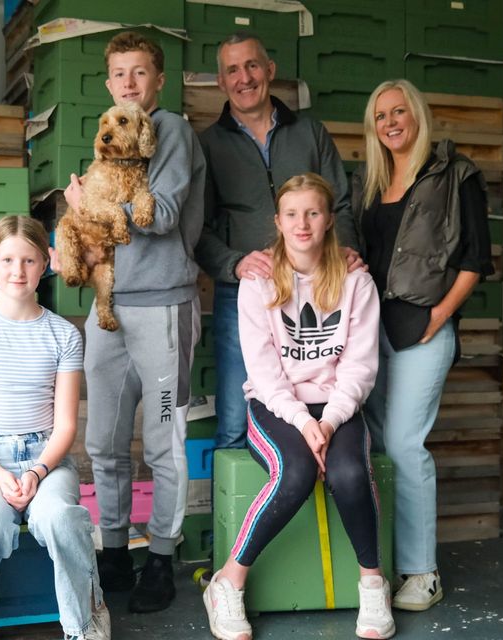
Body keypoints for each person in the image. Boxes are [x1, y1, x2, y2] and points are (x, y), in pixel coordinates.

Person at [202, 173, 392, 640]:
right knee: (296, 473)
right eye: (292, 214)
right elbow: (264, 372)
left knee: (349, 472)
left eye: (312, 212)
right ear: (278, 221)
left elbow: (360, 367)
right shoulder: (259, 282)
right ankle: (227, 581)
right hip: (277, 405)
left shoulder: (355, 281)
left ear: (329, 219)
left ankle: (373, 583)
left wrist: (327, 422)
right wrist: (302, 421)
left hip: (338, 406)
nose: (302, 224)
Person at [62, 31, 206, 614]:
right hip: (109, 308)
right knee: (104, 442)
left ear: (159, 81)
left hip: (163, 307)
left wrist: (87, 208)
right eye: (120, 73)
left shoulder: (170, 129)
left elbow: (163, 213)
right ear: (108, 83)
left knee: (165, 438)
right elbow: (92, 223)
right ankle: (116, 548)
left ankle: (162, 559)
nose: (129, 82)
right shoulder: (108, 139)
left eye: (140, 72)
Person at [0, 217, 110, 640]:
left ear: (45, 264)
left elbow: (66, 424)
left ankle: (86, 618)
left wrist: (36, 472)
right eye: (7, 259)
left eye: (29, 260)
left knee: (60, 518)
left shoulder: (64, 334)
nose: (18, 270)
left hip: (47, 458)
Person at [353, 79, 494, 612]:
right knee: (374, 444)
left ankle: (422, 571)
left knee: (406, 444)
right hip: (371, 331)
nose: (390, 122)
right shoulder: (369, 180)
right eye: (380, 115)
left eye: (399, 111)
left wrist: (438, 317)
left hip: (422, 330)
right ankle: (379, 566)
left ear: (418, 114)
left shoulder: (456, 174)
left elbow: (476, 259)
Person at [195, 32, 363, 452]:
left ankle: (311, 511)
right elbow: (196, 227)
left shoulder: (310, 132)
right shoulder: (208, 145)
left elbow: (340, 203)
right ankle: (241, 519)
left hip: (321, 289)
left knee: (329, 413)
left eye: (252, 65)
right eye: (232, 69)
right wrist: (233, 263)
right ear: (221, 82)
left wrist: (345, 252)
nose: (244, 77)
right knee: (236, 420)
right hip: (248, 296)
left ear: (269, 71)